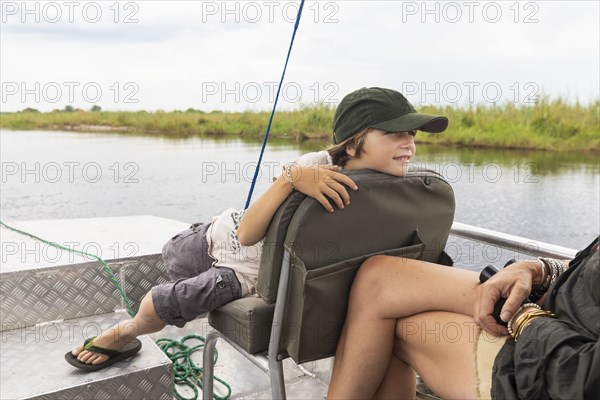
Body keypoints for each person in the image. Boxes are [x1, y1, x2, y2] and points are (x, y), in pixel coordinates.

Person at [66, 87, 449, 370]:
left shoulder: (403, 190)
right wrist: (291, 178)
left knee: (174, 296)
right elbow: (248, 234)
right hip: (234, 242)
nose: (409, 144)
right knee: (175, 257)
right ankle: (139, 314)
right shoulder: (315, 164)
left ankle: (130, 327)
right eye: (395, 133)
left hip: (260, 272)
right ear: (351, 145)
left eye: (412, 134)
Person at [326, 236, 599, 399]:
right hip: (556, 314)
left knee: (396, 325)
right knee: (379, 277)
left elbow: (583, 383)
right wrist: (540, 270)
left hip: (554, 364)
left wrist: (526, 318)